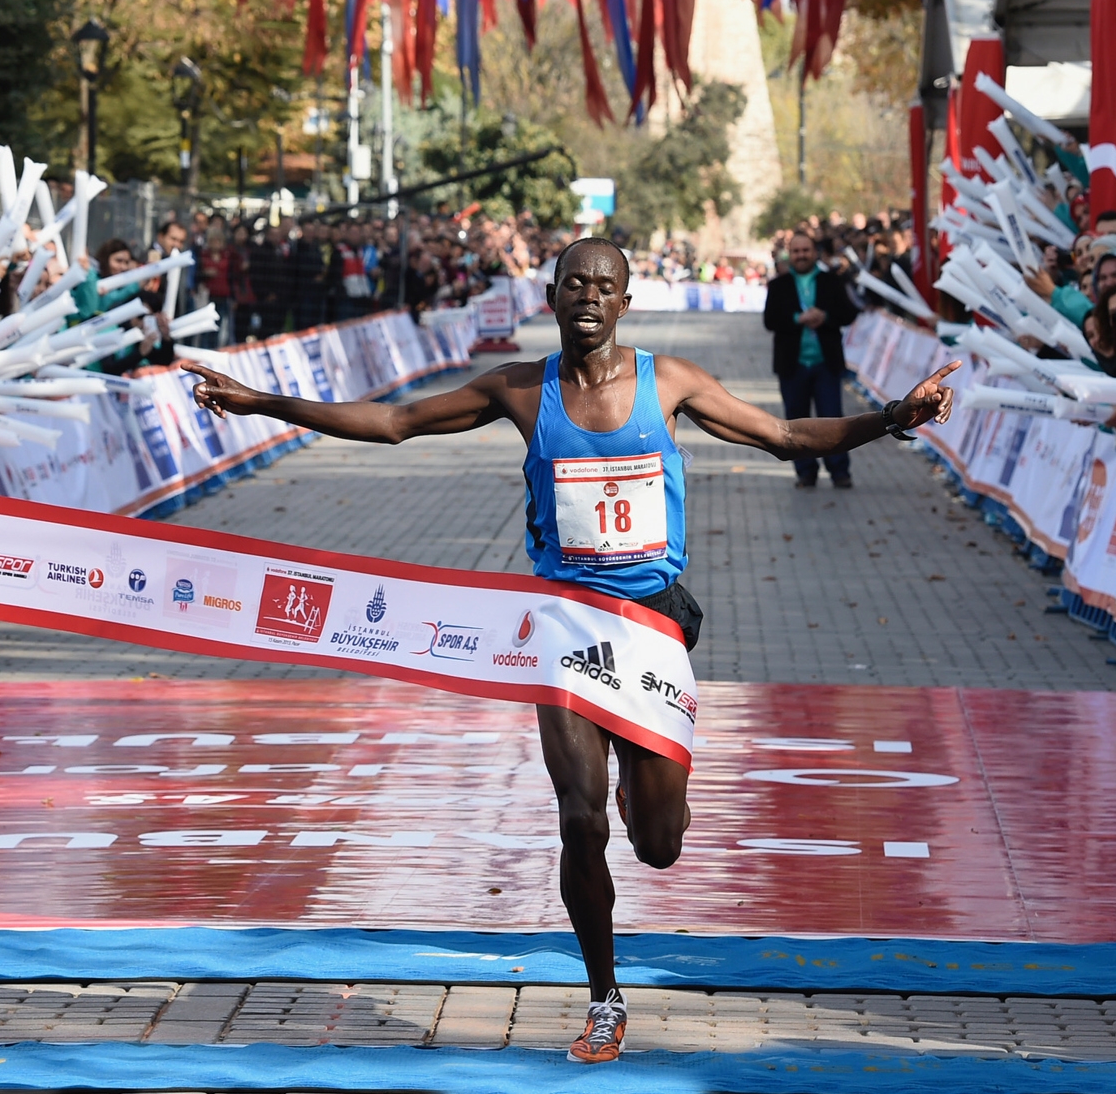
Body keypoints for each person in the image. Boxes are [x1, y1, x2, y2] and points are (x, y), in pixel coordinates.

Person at [180, 238, 957, 1062]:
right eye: (575, 284)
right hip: (567, 625)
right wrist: (266, 401)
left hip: (653, 624)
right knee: (579, 821)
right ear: (551, 296)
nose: (589, 296)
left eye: (605, 286)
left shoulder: (675, 381)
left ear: (625, 302)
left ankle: (643, 787)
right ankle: (604, 997)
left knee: (657, 843)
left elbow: (787, 435)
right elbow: (397, 422)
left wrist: (892, 419)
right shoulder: (520, 387)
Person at [763, 233, 860, 488]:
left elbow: (849, 313)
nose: (801, 255)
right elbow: (770, 320)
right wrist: (798, 319)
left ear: (814, 252)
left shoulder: (831, 282)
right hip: (792, 365)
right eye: (796, 251)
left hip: (825, 364)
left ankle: (839, 471)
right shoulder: (778, 285)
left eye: (806, 250)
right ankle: (805, 472)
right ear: (790, 255)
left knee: (833, 420)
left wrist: (825, 316)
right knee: (796, 421)